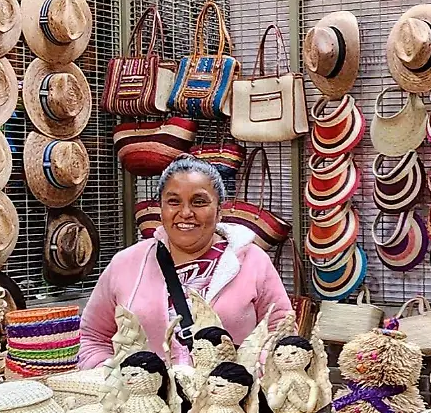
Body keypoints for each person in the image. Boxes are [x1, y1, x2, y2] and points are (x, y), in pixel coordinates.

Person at [78, 156, 292, 370]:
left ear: (219, 211)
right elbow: (93, 338)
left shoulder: (253, 262)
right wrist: (120, 383)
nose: (186, 213)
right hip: (145, 401)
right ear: (161, 209)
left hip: (229, 399)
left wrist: (247, 380)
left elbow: (281, 333)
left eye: (199, 202)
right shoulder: (126, 264)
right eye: (173, 202)